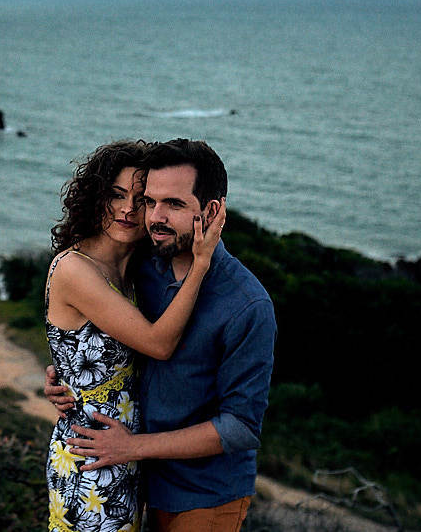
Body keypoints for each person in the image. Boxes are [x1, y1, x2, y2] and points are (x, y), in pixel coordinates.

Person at [46, 139, 276, 532]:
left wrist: (134, 448)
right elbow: (100, 341)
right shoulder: (145, 268)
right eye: (150, 202)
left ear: (212, 210)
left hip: (204, 493)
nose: (152, 216)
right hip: (135, 478)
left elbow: (240, 427)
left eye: (173, 204)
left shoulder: (247, 305)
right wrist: (64, 376)